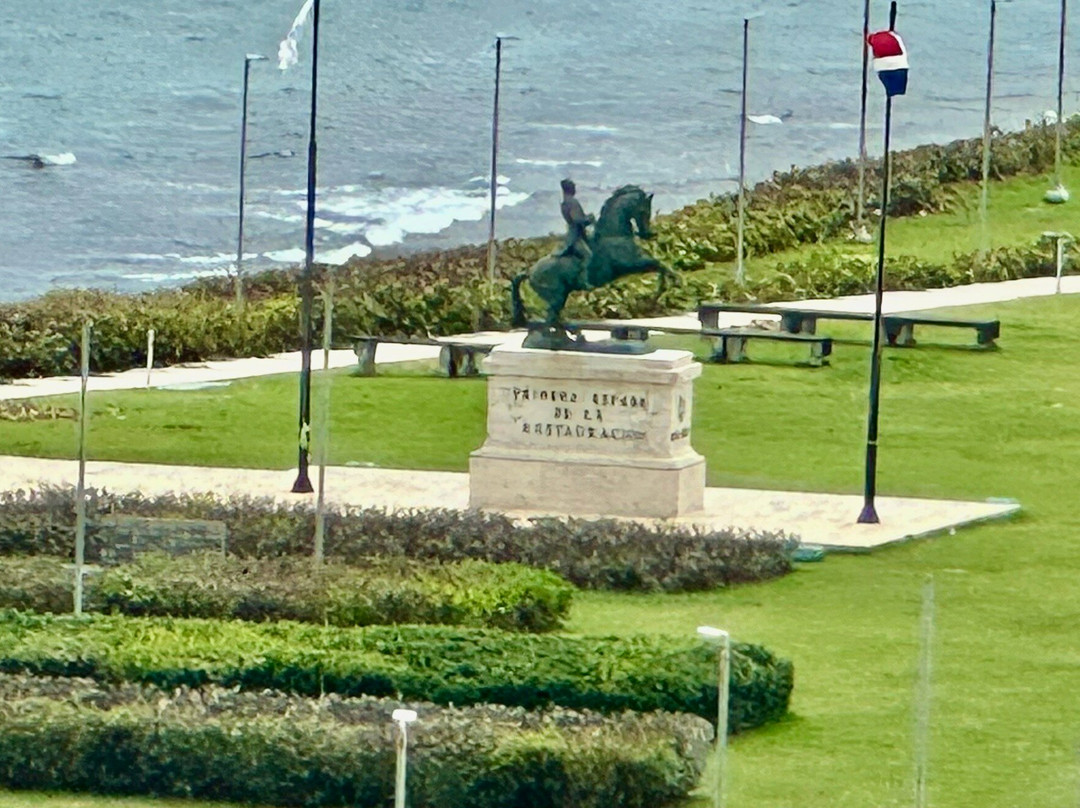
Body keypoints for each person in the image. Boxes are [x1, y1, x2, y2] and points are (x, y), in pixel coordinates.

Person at [559, 178, 595, 288]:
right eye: (574, 187)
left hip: (573, 234)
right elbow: (577, 220)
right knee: (588, 255)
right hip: (575, 237)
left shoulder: (565, 202)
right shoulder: (572, 202)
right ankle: (583, 281)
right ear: (570, 189)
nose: (575, 189)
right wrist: (589, 219)